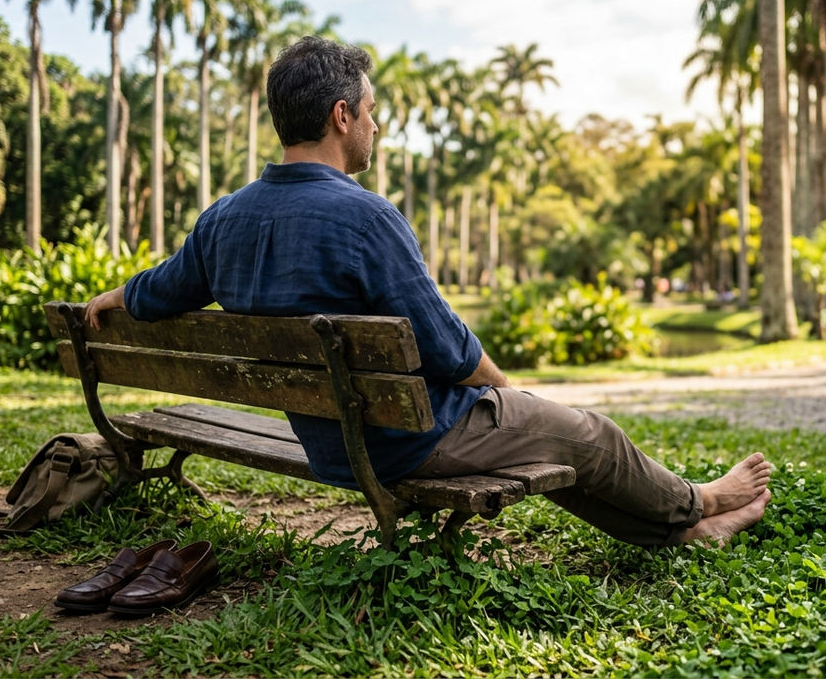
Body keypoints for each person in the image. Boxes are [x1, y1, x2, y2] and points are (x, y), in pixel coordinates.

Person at [81, 37, 772, 548]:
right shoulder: (367, 217)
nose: (378, 127)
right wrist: (508, 395)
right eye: (374, 113)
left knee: (559, 443)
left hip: (331, 443)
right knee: (586, 435)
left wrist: (117, 295)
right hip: (407, 442)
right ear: (343, 115)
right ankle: (699, 500)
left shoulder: (223, 220)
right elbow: (446, 348)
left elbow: (164, 290)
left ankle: (685, 534)